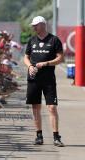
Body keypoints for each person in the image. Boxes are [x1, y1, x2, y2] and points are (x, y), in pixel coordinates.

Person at [24, 16, 64, 147]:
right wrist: (30, 66)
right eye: (33, 26)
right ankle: (39, 135)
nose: (34, 27)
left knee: (52, 107)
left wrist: (47, 63)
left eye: (36, 25)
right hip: (34, 79)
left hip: (48, 80)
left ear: (43, 25)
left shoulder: (54, 40)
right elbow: (26, 57)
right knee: (35, 107)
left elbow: (60, 59)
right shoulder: (32, 40)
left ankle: (56, 136)